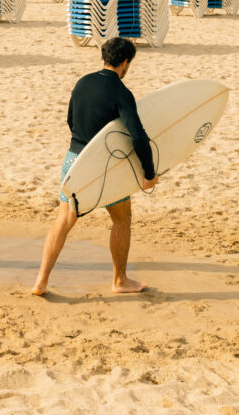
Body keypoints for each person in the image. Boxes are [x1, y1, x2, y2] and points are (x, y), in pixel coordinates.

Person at [32, 37, 157, 296]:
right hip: (105, 166)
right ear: (125, 62)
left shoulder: (82, 83)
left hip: (73, 160)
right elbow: (137, 135)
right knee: (122, 219)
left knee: (64, 219)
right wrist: (148, 173)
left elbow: (70, 119)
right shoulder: (121, 92)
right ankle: (120, 280)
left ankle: (41, 281)